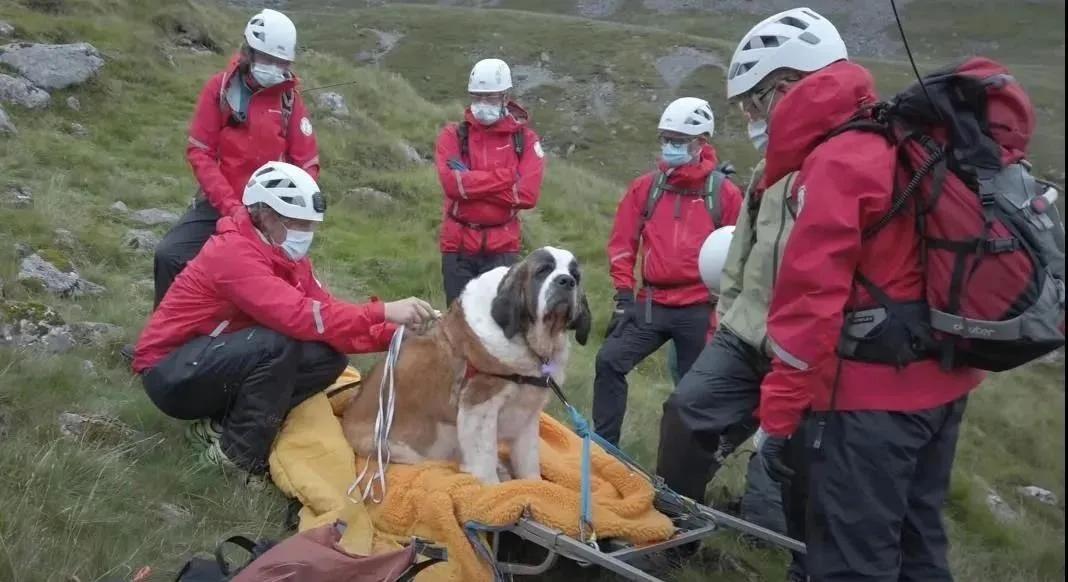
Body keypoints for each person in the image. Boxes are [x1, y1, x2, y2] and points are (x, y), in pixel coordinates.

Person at [724, 8, 985, 581]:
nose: (751, 118)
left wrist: (779, 417)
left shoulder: (838, 161)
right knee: (919, 547)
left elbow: (810, 303)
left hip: (870, 403)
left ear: (788, 88)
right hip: (943, 383)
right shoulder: (895, 135)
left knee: (851, 560)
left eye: (754, 102)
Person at [133, 161, 436, 480]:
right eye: (298, 223)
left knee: (328, 357)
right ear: (266, 215)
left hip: (209, 362)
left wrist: (399, 335)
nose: (306, 234)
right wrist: (384, 310)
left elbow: (328, 319)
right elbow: (299, 317)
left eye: (310, 225)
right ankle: (236, 457)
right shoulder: (233, 254)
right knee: (279, 343)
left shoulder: (287, 258)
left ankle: (220, 427)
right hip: (170, 373)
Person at [593, 97, 742, 447]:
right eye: (666, 139)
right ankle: (603, 451)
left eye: (678, 140)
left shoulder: (724, 194)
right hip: (651, 302)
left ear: (701, 143)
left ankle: (679, 473)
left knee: (693, 396)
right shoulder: (646, 188)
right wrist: (623, 296)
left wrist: (725, 312)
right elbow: (622, 243)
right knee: (609, 362)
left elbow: (738, 256)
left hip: (699, 306)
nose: (670, 147)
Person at [153, 8, 319, 308]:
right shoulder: (219, 89)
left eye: (281, 62)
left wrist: (286, 214)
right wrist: (230, 206)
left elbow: (306, 164)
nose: (274, 67)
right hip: (219, 204)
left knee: (275, 281)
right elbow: (200, 151)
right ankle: (165, 341)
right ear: (250, 53)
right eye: (267, 59)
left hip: (270, 213)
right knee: (170, 255)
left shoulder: (290, 101)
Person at [434, 58, 545, 306]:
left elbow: (527, 195)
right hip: (458, 249)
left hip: (502, 250)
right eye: (477, 97)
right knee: (458, 322)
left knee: (501, 323)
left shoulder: (525, 140)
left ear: (506, 97)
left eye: (490, 97)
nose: (482, 104)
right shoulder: (453, 135)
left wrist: (471, 182)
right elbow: (454, 186)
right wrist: (507, 178)